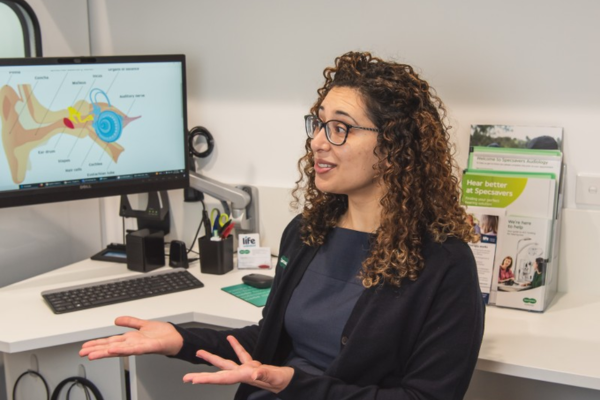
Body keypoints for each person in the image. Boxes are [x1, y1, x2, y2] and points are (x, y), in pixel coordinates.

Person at [79, 51, 485, 400]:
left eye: (340, 128)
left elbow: (424, 397)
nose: (318, 142)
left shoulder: (444, 263)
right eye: (319, 123)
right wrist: (181, 339)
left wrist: (294, 384)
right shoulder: (308, 231)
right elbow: (268, 341)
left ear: (395, 148)